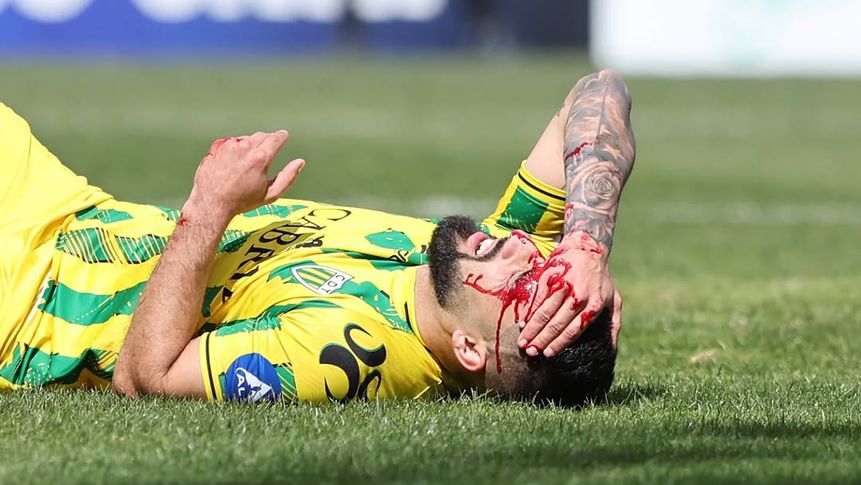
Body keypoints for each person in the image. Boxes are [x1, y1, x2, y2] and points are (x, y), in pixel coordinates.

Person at [0, 69, 635, 406]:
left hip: (26, 307)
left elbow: (147, 377)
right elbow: (598, 90)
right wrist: (585, 243)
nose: (526, 250)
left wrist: (209, 206)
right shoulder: (474, 262)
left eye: (528, 283)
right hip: (66, 208)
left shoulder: (344, 354)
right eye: (544, 260)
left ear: (471, 350)